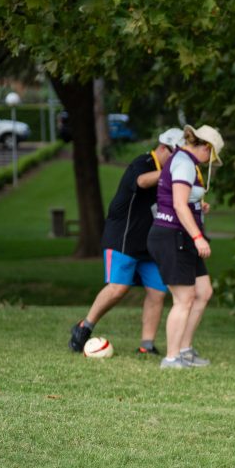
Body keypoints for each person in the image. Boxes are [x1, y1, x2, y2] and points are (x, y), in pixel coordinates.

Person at [69, 128, 185, 355]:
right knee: (118, 288)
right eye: (175, 156)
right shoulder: (143, 162)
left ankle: (147, 345)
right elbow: (142, 182)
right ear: (163, 148)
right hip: (122, 238)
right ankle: (84, 327)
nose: (177, 162)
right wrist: (170, 173)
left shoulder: (170, 175)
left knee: (157, 291)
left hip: (148, 243)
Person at [146, 124, 224, 369]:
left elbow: (184, 200)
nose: (208, 161)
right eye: (210, 155)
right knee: (184, 298)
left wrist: (199, 207)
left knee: (203, 292)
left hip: (182, 235)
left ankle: (185, 350)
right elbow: (178, 205)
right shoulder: (184, 162)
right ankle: (171, 358)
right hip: (172, 236)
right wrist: (198, 237)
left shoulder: (185, 161)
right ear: (205, 147)